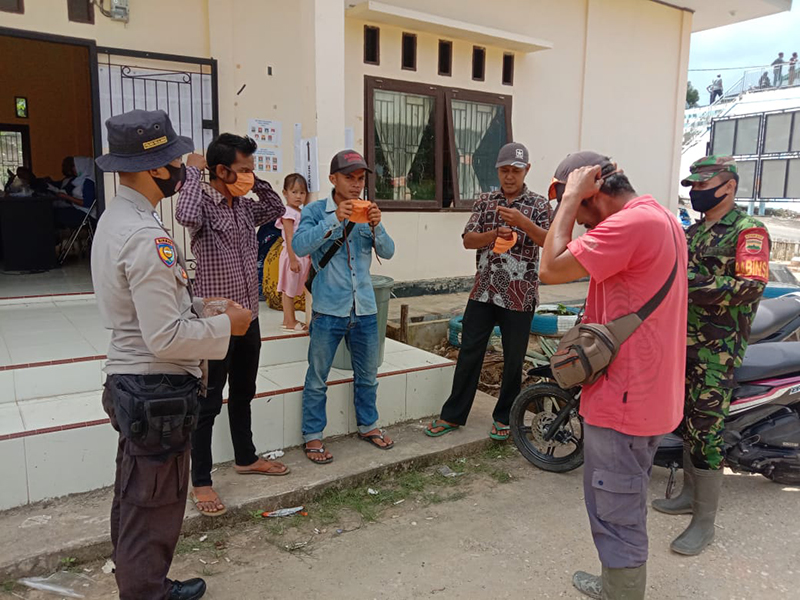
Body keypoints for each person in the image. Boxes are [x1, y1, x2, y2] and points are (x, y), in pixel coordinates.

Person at [91, 109, 252, 599]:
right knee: (154, 502)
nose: (185, 168)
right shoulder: (145, 236)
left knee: (136, 494)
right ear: (156, 168)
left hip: (134, 378)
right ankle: (146, 592)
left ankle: (141, 582)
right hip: (154, 383)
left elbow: (145, 306)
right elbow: (164, 336)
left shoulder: (121, 218)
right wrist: (228, 324)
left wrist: (202, 304)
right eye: (178, 160)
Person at [540, 151, 687, 599]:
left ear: (593, 194)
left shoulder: (630, 225)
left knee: (616, 512)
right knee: (623, 501)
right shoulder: (660, 218)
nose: (579, 223)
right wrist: (571, 200)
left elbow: (549, 268)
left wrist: (568, 199)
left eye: (578, 208)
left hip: (624, 399)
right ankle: (613, 583)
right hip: (648, 396)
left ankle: (620, 592)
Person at [652, 156, 769, 556]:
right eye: (693, 184)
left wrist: (693, 283)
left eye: (704, 184)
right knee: (687, 423)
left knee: (707, 432)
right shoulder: (696, 230)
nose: (695, 191)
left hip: (717, 350)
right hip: (682, 343)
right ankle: (688, 494)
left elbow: (751, 286)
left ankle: (704, 522)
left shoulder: (748, 231)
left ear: (729, 186)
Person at [175, 135, 288, 518]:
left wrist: (255, 181)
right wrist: (193, 172)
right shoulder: (203, 203)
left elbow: (276, 207)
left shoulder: (243, 207)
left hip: (249, 321)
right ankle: (202, 480)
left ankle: (246, 457)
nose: (248, 177)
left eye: (250, 169)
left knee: (244, 392)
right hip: (215, 325)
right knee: (208, 404)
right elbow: (185, 216)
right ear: (219, 170)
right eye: (242, 170)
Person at [425, 143, 551, 440]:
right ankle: (453, 415)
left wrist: (523, 223)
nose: (509, 176)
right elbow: (468, 239)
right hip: (484, 290)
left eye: (516, 171)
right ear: (497, 170)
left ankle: (504, 416)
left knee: (514, 357)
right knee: (469, 352)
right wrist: (495, 234)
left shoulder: (539, 204)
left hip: (520, 294)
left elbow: (549, 240)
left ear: (526, 171)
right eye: (505, 170)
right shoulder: (485, 202)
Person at [293, 149, 395, 463]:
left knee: (368, 375)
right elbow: (299, 245)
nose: (355, 184)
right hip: (328, 308)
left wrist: (377, 226)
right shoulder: (314, 211)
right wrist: (336, 220)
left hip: (364, 307)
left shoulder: (369, 211)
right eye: (349, 177)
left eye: (360, 178)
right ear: (333, 179)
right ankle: (312, 436)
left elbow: (388, 252)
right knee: (317, 376)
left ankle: (368, 425)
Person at [277, 173, 312, 331]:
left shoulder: (301, 212)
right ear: (285, 193)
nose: (298, 196)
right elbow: (289, 236)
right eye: (294, 192)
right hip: (293, 255)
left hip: (302, 255)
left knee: (293, 287)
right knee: (288, 289)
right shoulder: (287, 213)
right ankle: (290, 320)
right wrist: (292, 259)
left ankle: (287, 319)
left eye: (302, 192)